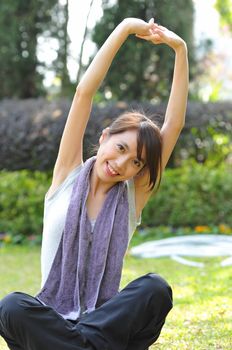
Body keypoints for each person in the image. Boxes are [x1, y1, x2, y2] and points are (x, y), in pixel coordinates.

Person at [0, 17, 188, 350]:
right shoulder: (66, 174)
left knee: (155, 289)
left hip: (103, 322)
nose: (122, 164)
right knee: (12, 306)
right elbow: (85, 91)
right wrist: (127, 27)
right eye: (120, 149)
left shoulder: (133, 196)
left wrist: (180, 48)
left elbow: (172, 125)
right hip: (55, 320)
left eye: (136, 162)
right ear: (103, 138)